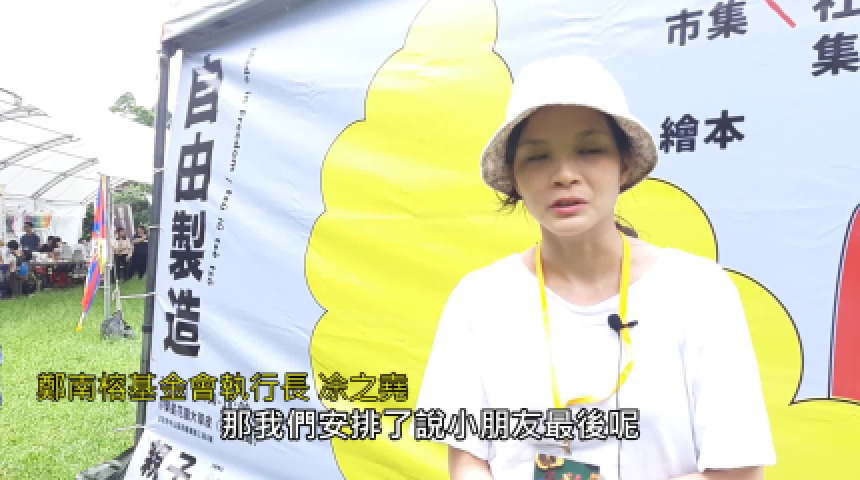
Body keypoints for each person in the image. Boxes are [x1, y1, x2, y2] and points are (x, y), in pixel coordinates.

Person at [414, 56, 775, 480]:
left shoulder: (698, 290)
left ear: (625, 164)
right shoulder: (479, 299)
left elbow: (738, 470)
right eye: (538, 156)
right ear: (514, 176)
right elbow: (468, 459)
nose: (564, 175)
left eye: (590, 150)